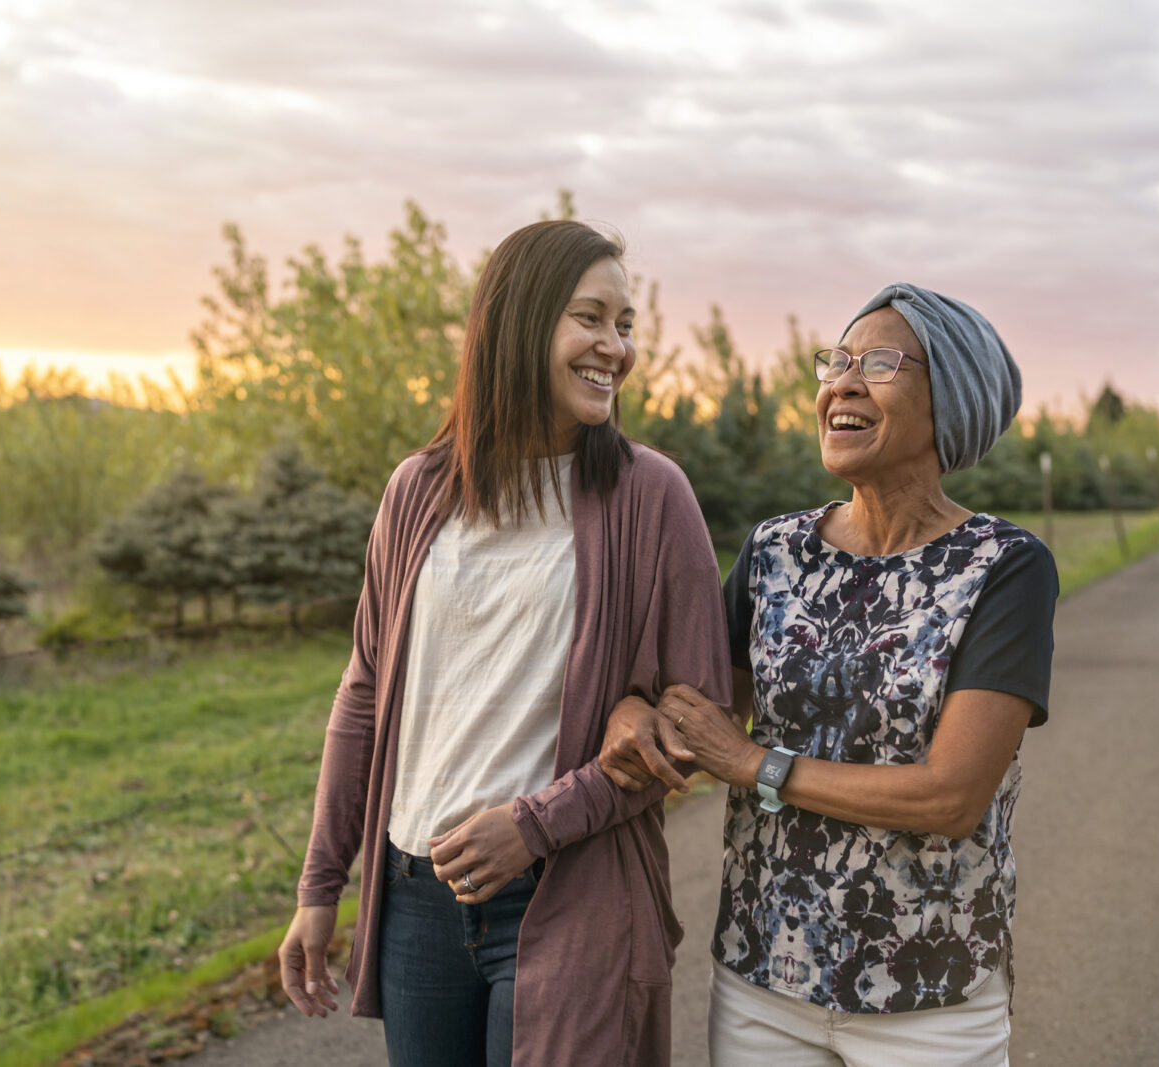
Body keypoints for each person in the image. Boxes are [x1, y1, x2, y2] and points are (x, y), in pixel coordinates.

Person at [277, 219, 731, 1067]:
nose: (615, 346)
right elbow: (364, 693)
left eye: (625, 324)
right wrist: (320, 886)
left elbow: (694, 719)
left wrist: (536, 823)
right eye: (590, 318)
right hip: (416, 898)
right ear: (519, 323)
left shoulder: (651, 496)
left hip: (569, 890)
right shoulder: (418, 491)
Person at [602, 283, 1057, 1066]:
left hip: (931, 996)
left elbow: (951, 797)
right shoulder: (775, 551)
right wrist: (633, 714)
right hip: (763, 982)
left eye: (878, 362)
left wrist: (755, 763)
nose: (842, 381)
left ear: (949, 399)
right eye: (836, 360)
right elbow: (698, 714)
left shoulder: (1004, 569)